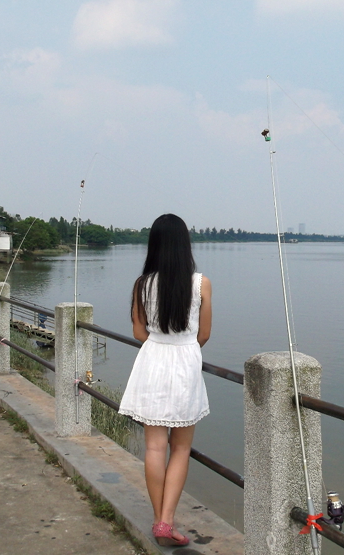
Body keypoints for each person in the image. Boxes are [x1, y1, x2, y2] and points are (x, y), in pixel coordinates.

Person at [118, 214, 212, 547]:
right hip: (186, 364)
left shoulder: (142, 284)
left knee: (154, 447)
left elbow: (138, 331)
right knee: (180, 448)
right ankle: (166, 521)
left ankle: (160, 520)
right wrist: (182, 349)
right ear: (185, 244)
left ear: (154, 244)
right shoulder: (201, 283)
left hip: (152, 362)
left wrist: (161, 346)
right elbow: (204, 334)